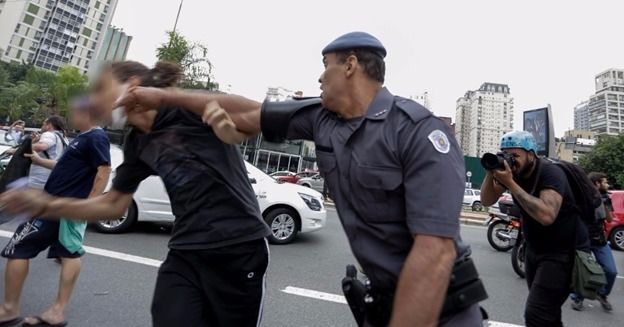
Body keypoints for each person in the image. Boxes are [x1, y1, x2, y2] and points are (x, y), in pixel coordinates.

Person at [111, 32, 487, 326]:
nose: (319, 76)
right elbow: (247, 113)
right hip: (385, 305)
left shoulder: (415, 130)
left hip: (443, 312)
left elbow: (434, 253)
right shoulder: (321, 118)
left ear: (351, 64)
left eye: (326, 65)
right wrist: (164, 96)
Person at [0, 61, 271, 327]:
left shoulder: (186, 108)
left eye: (100, 88)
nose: (93, 99)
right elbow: (114, 204)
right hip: (185, 251)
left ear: (131, 86)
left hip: (239, 246)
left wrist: (165, 96)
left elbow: (257, 114)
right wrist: (45, 205)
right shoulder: (137, 141)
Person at [0, 99, 111, 327]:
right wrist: (39, 160)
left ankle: (10, 309)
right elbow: (63, 166)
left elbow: (104, 170)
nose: (71, 117)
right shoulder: (82, 137)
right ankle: (56, 311)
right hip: (58, 206)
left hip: (59, 206)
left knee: (17, 249)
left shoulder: (95, 136)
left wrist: (89, 205)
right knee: (69, 252)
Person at [480, 131, 590, 327]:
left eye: (515, 156)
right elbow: (487, 200)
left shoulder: (550, 172)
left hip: (562, 253)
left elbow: (547, 215)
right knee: (547, 313)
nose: (510, 161)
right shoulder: (515, 173)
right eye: (505, 155)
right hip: (534, 249)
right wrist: (492, 171)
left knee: (537, 314)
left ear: (531, 154)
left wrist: (510, 184)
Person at [570, 172, 618, 312]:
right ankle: (578, 297)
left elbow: (609, 220)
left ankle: (602, 294)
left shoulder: (605, 198)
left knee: (611, 270)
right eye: (604, 182)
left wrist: (605, 204)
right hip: (583, 240)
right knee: (583, 271)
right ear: (597, 183)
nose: (607, 184)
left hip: (599, 240)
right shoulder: (582, 197)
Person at [27, 116, 68, 189]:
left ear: (49, 125)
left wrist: (20, 149)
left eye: (43, 124)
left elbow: (41, 147)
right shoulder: (64, 138)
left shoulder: (48, 134)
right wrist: (34, 141)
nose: (42, 126)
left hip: (39, 177)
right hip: (53, 175)